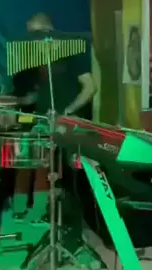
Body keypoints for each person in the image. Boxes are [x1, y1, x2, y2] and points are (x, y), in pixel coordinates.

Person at [12, 13, 97, 224]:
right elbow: (43, 90)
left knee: (51, 163)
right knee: (29, 157)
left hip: (64, 120)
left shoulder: (71, 54)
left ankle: (43, 210)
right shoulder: (38, 59)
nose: (31, 40)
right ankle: (22, 207)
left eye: (35, 34)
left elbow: (90, 87)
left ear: (48, 32)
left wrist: (68, 110)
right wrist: (26, 100)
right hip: (42, 116)